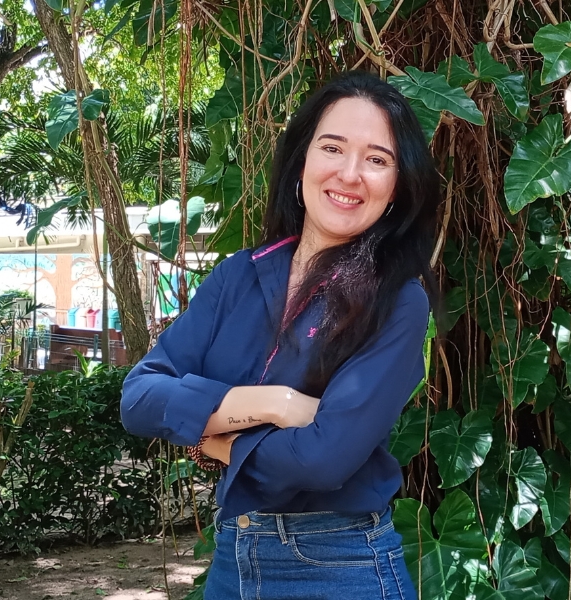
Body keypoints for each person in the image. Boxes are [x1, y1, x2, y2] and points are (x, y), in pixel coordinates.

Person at [121, 70, 440, 600]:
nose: (350, 174)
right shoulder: (237, 276)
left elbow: (323, 458)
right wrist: (276, 403)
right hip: (234, 558)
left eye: (377, 159)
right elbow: (139, 397)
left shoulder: (399, 301)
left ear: (398, 187)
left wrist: (211, 437)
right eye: (332, 148)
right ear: (302, 161)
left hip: (341, 567)